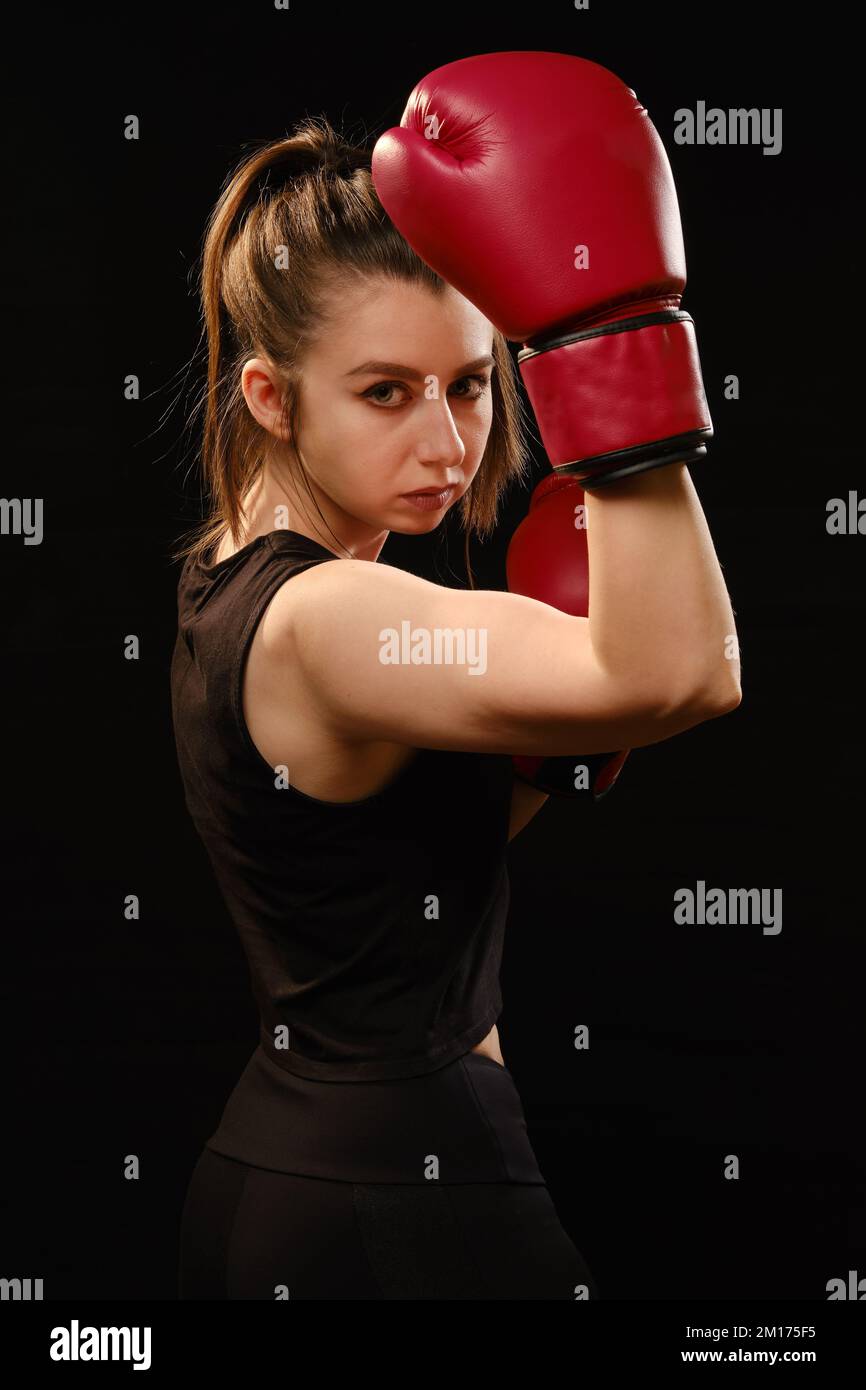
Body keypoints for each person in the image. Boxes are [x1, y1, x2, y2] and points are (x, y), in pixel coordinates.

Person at [169, 69, 740, 1300]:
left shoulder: (237, 588)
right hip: (403, 1199)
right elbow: (684, 670)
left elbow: (397, 877)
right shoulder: (328, 617)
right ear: (269, 397)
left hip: (285, 1179)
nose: (445, 442)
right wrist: (610, 334)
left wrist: (549, 755)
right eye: (384, 391)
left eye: (473, 382)